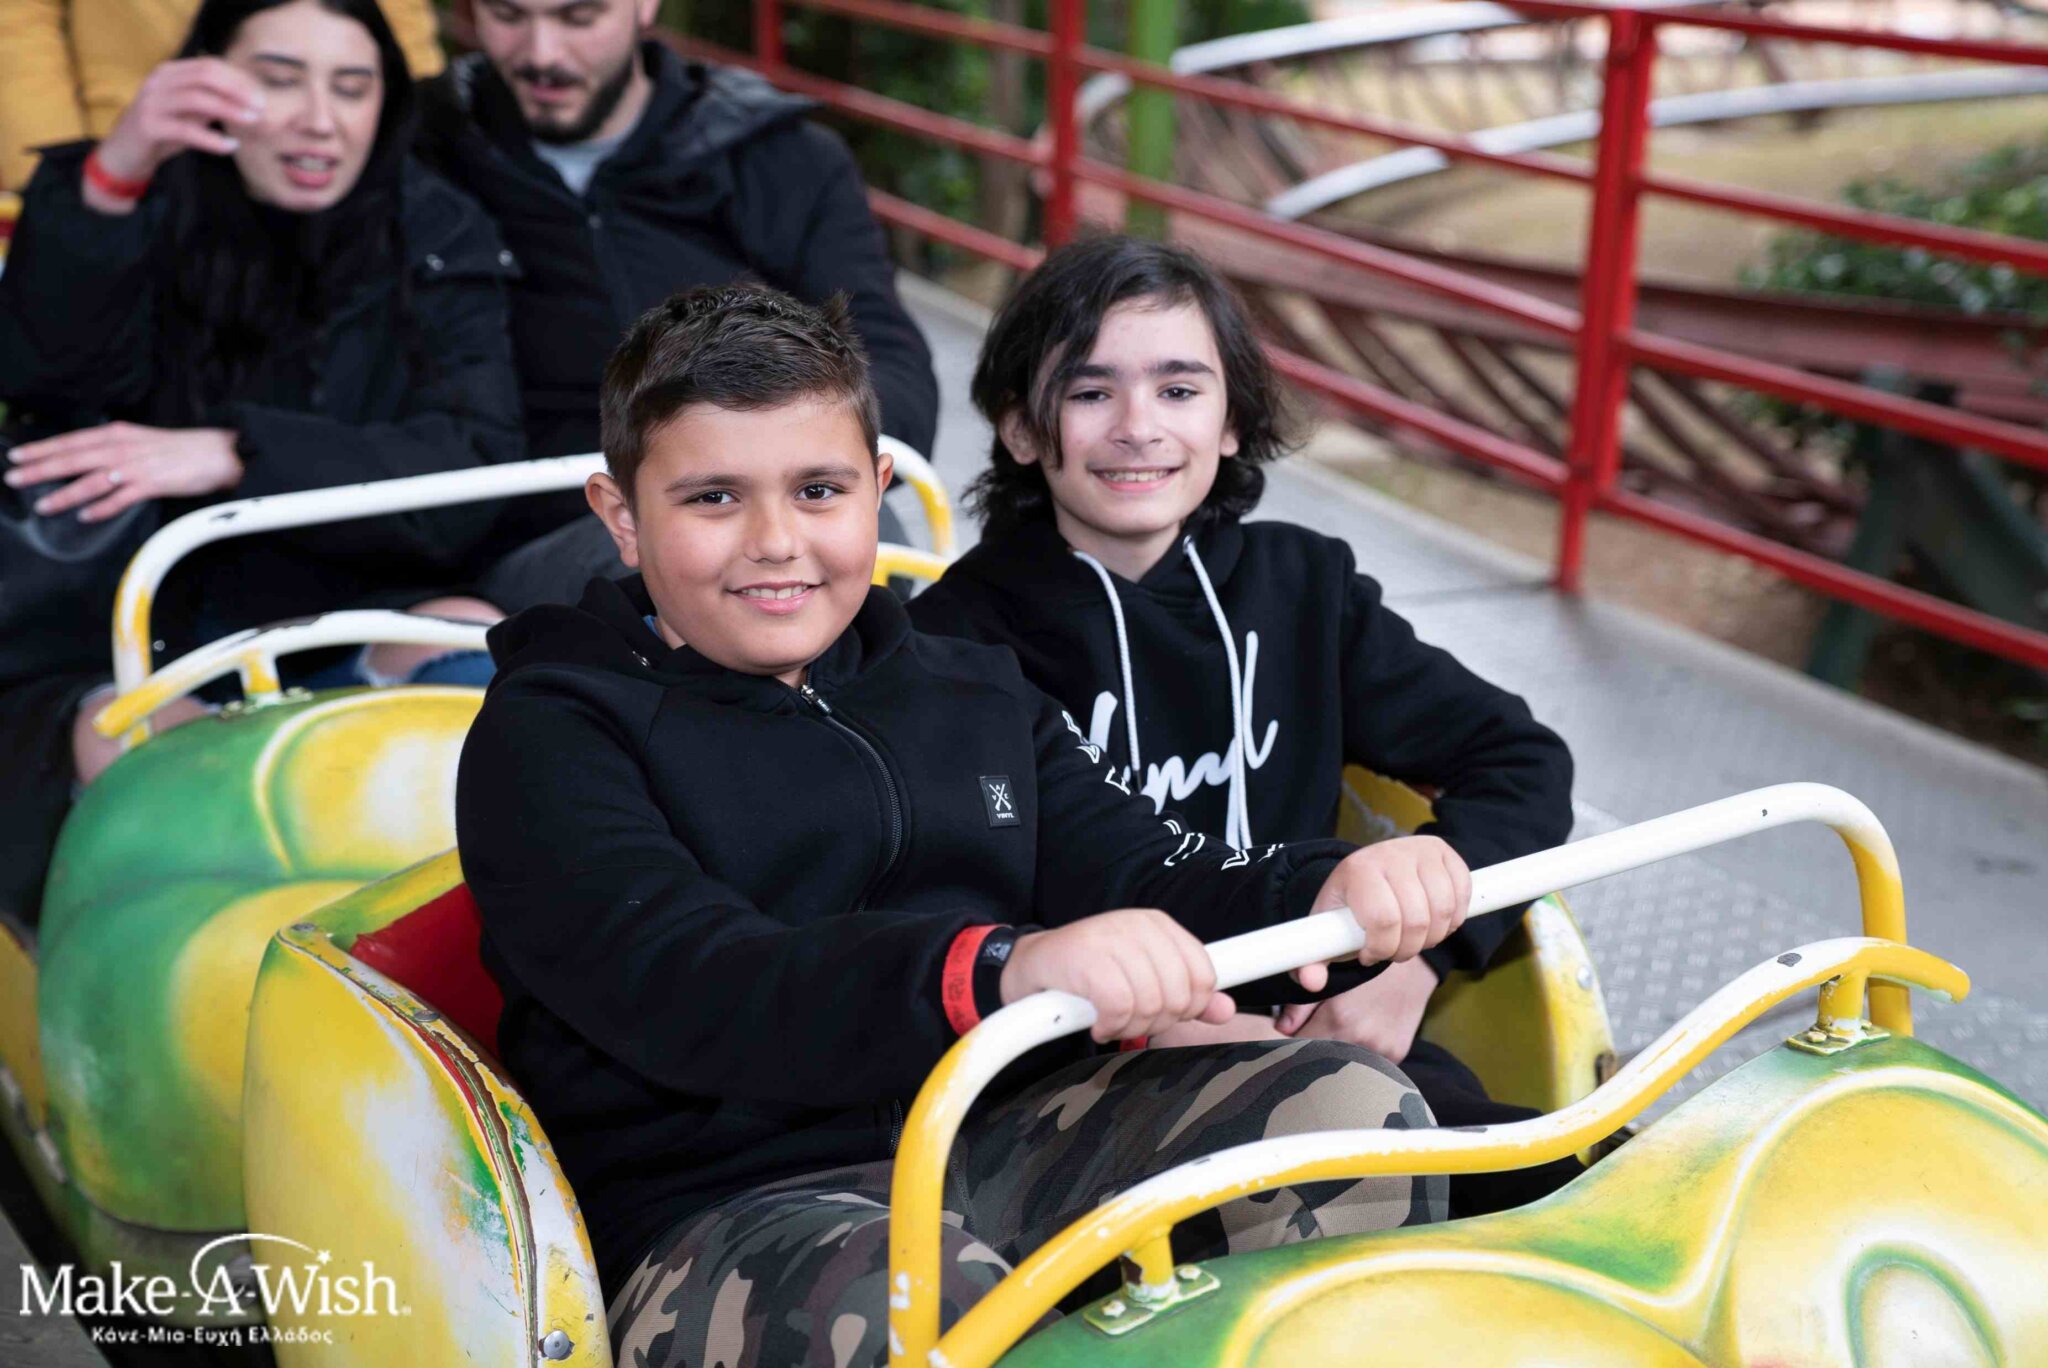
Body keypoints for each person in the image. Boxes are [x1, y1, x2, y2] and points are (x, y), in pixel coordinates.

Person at [456, 283, 1472, 1367]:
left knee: (1344, 1107)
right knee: (924, 1302)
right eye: (713, 499)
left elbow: (1142, 865)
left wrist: (1324, 889)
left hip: (1009, 1129)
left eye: (818, 491)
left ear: (877, 490)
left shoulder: (970, 689)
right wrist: (992, 970)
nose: (775, 542)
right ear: (621, 517)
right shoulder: (551, 734)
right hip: (729, 1200)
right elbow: (695, 979)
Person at [907, 235, 1581, 1218]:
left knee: (1585, 1187)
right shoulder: (951, 643)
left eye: (1179, 390)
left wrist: (1415, 964)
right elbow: (956, 912)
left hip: (1331, 1032)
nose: (1138, 427)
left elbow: (1520, 761)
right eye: (1090, 393)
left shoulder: (1303, 588)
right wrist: (1142, 1024)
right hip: (1081, 1085)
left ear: (1230, 422)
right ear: (1017, 427)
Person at [0, 0, 523, 929]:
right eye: (278, 82)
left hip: (346, 605)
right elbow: (48, 378)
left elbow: (471, 455)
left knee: (481, 652)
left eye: (352, 88)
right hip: (139, 643)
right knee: (164, 772)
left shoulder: (435, 228)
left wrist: (237, 453)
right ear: (207, 83)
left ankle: (479, 962)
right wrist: (115, 174)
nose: (319, 119)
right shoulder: (147, 203)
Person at [416, 0, 939, 604]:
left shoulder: (783, 157)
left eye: (578, 18)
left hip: (752, 493)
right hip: (536, 532)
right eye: (508, 16)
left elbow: (890, 369)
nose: (542, 53)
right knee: (687, 568)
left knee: (855, 541)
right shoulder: (416, 153)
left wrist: (775, 460)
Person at [0, 0, 443, 190]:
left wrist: (404, 158)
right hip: (133, 166)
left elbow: (402, 37)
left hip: (336, 188)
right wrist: (60, 182)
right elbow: (17, 21)